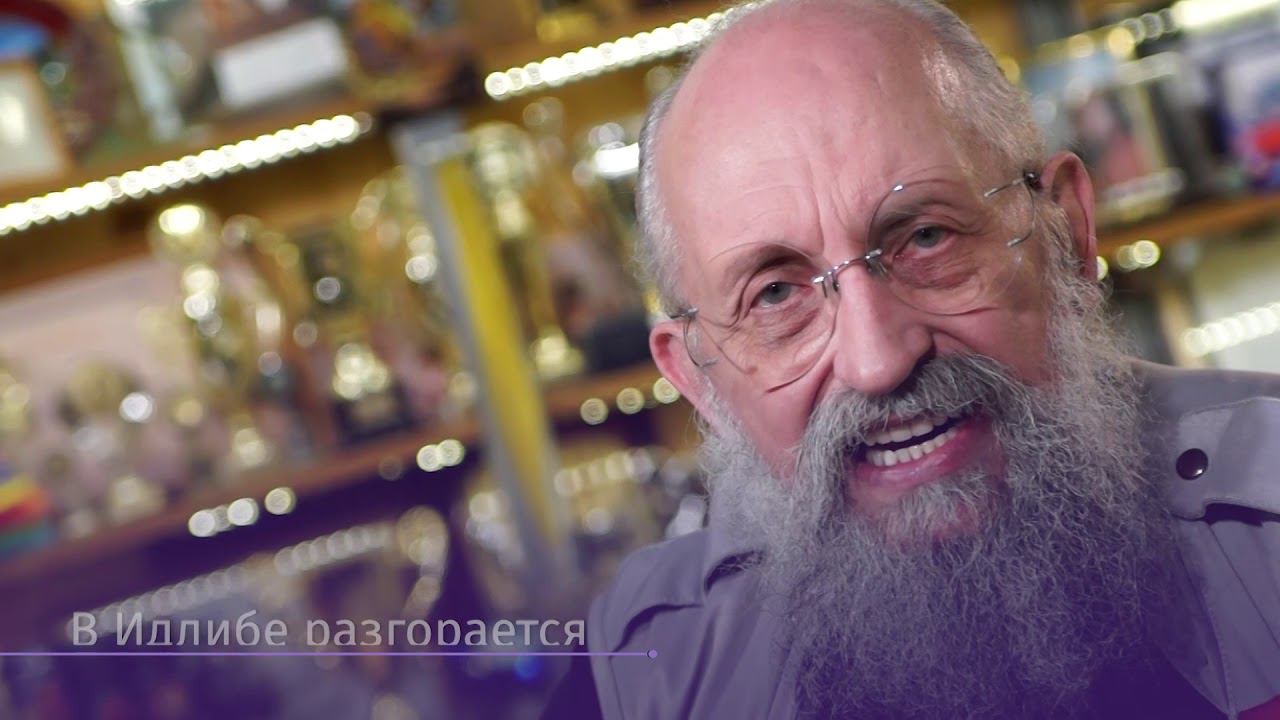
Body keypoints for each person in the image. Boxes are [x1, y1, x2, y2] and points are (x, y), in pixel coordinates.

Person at [562, 0, 1280, 718]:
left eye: (927, 238)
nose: (877, 360)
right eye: (775, 294)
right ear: (699, 382)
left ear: (1066, 232)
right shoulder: (643, 673)